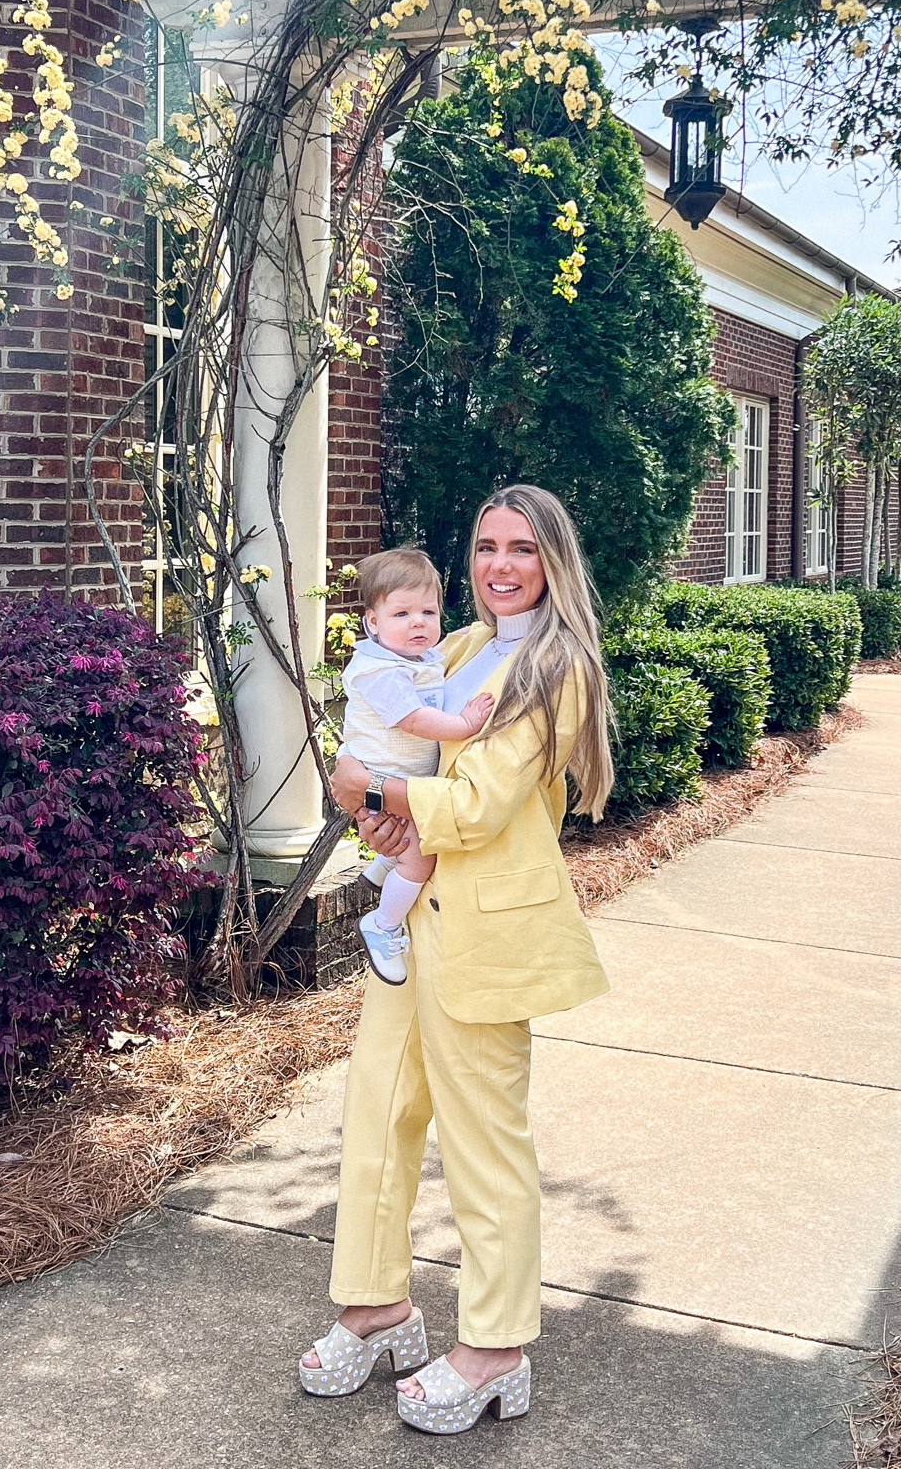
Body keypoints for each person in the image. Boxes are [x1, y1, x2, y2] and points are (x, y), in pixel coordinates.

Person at [299, 484, 613, 1435]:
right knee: (381, 1109)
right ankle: (378, 1306)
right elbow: (397, 750)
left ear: (554, 561)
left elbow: (471, 805)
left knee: (483, 1139)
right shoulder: (465, 649)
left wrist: (371, 785)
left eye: (523, 548)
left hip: (487, 929)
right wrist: (369, 801)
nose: (501, 566)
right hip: (416, 911)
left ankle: (495, 1346)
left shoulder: (556, 668)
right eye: (485, 546)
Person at [338, 546, 497, 984]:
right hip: (387, 777)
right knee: (420, 857)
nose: (418, 624)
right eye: (402, 614)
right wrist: (463, 723)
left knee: (403, 842)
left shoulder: (415, 657)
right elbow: (414, 718)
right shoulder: (382, 671)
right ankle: (384, 925)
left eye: (428, 612)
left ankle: (381, 868)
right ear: (373, 622)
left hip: (395, 779)